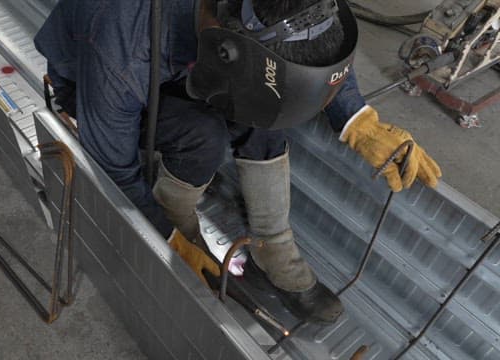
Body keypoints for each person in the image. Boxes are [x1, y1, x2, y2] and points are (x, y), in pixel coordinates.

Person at [34, 0, 442, 325]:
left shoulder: (260, 15)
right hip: (92, 78)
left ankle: (275, 247)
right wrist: (166, 240)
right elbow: (114, 168)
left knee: (268, 112)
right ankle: (183, 227)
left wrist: (358, 120)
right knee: (203, 137)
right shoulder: (120, 49)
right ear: (227, 48)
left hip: (188, 57)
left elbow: (312, 30)